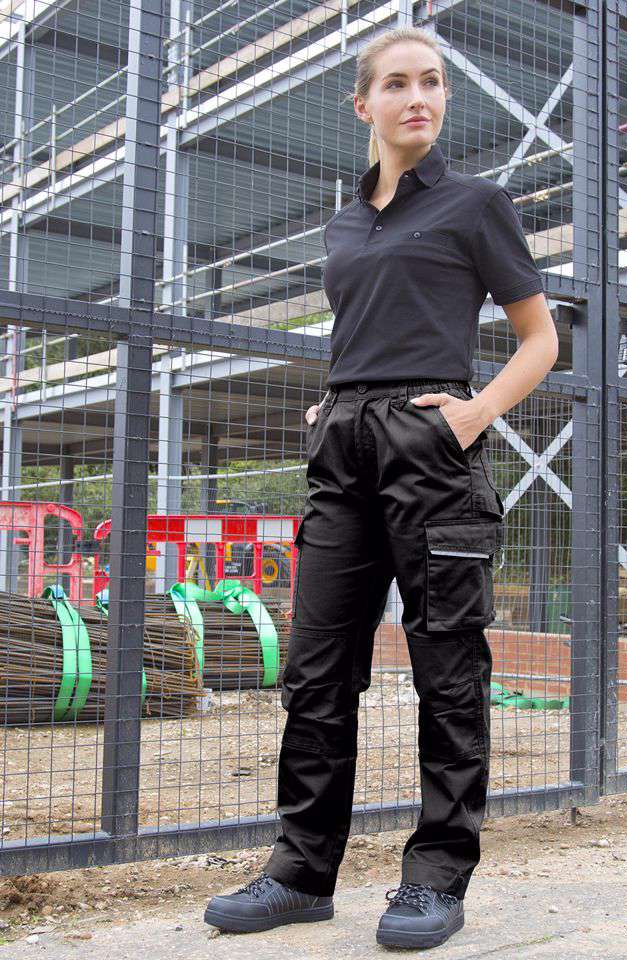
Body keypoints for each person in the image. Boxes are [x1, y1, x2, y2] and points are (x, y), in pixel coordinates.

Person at [204, 24, 558, 950]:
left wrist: (475, 415)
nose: (418, 98)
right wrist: (334, 405)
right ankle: (300, 873)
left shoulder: (477, 203)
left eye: (432, 82)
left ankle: (436, 878)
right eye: (397, 83)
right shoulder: (345, 220)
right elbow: (363, 327)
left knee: (448, 666)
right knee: (317, 665)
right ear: (362, 103)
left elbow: (541, 339)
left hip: (431, 444)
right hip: (343, 448)